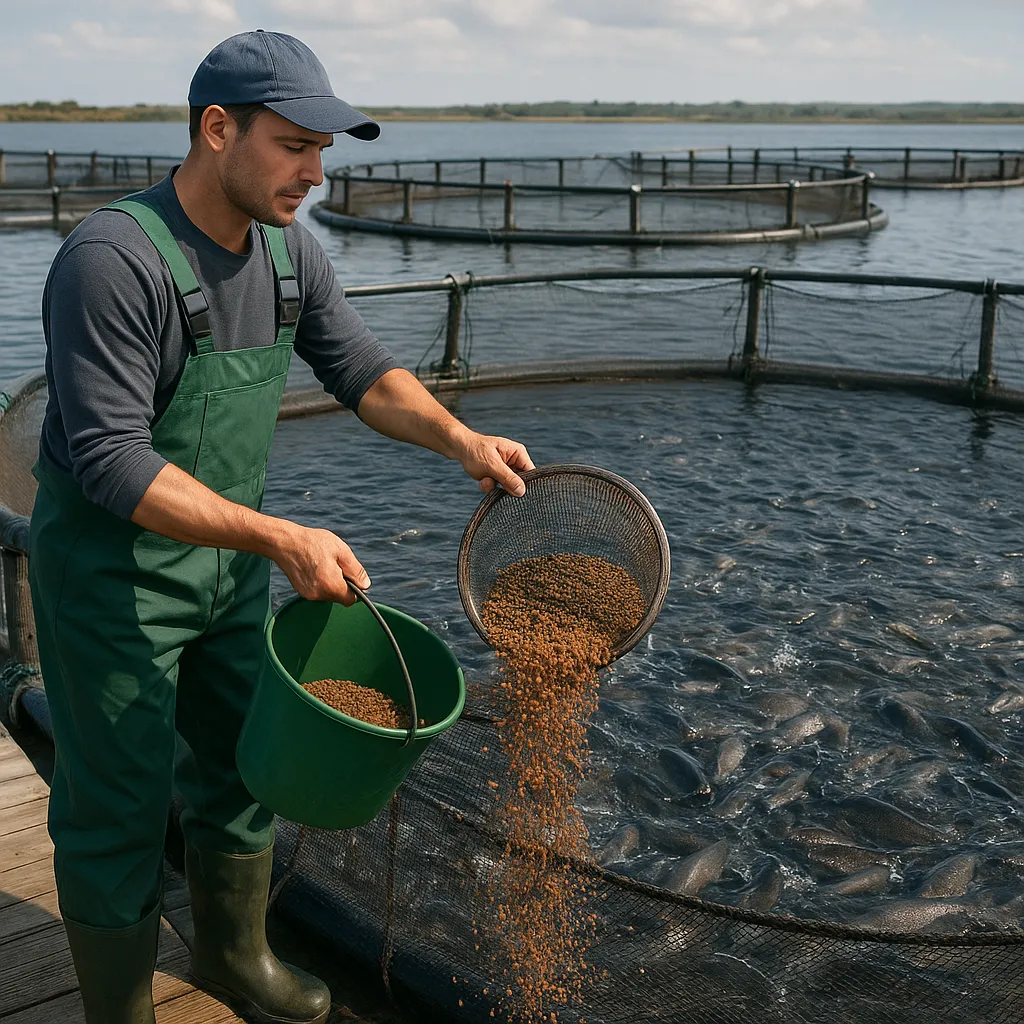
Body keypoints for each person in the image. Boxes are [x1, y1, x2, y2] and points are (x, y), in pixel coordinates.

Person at [29, 29, 534, 1024]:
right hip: (110, 580)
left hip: (223, 574)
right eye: (294, 145)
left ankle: (233, 957)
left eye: (324, 151)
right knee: (116, 805)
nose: (314, 172)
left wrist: (461, 440)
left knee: (239, 767)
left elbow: (361, 370)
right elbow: (113, 461)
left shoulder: (288, 247)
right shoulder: (111, 260)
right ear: (218, 129)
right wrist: (280, 537)